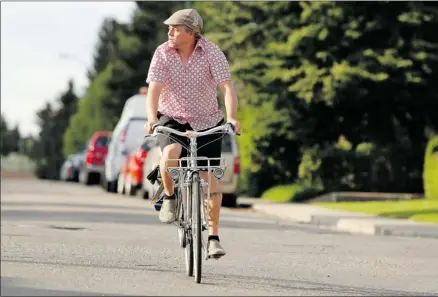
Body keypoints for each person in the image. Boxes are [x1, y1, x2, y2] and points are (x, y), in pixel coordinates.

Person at [144, 8, 240, 259]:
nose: (169, 32)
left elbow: (227, 88)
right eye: (170, 28)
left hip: (207, 120)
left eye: (175, 28)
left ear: (191, 32)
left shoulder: (212, 52)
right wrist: (152, 119)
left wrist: (231, 118)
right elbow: (153, 90)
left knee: (210, 178)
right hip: (172, 117)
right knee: (171, 153)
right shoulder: (163, 53)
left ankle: (213, 238)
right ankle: (170, 197)